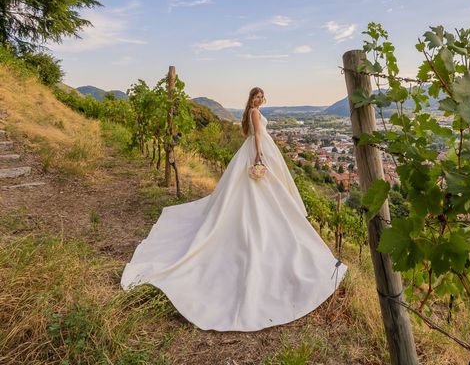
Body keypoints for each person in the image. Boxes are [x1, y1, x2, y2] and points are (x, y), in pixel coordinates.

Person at [120, 87, 348, 332]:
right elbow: (258, 135)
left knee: (257, 192)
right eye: (256, 97)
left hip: (259, 149)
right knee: (260, 192)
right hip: (259, 151)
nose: (259, 100)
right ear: (251, 98)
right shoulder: (254, 113)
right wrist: (259, 155)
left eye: (261, 97)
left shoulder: (254, 111)